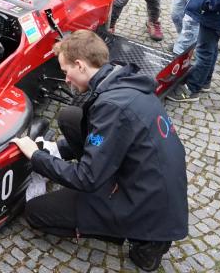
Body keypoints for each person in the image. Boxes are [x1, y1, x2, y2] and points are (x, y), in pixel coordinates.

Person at [11, 30, 188, 272]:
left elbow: (86, 178)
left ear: (81, 66)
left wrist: (36, 156)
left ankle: (147, 241)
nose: (65, 80)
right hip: (149, 178)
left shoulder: (112, 107)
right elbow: (108, 137)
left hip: (143, 203)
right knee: (71, 116)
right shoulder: (118, 78)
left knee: (36, 213)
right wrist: (56, 150)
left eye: (66, 72)